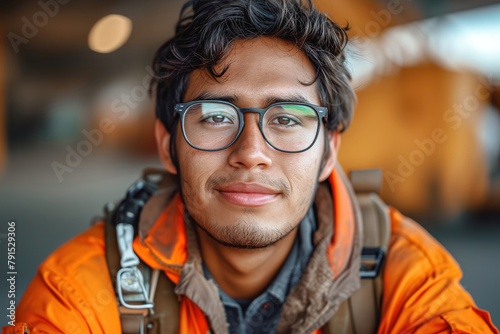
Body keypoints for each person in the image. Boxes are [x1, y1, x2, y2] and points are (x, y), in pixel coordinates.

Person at [3, 0, 498, 333]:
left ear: (329, 151)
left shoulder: (407, 277)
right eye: (217, 116)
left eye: (287, 118)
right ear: (166, 145)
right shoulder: (78, 292)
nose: (251, 151)